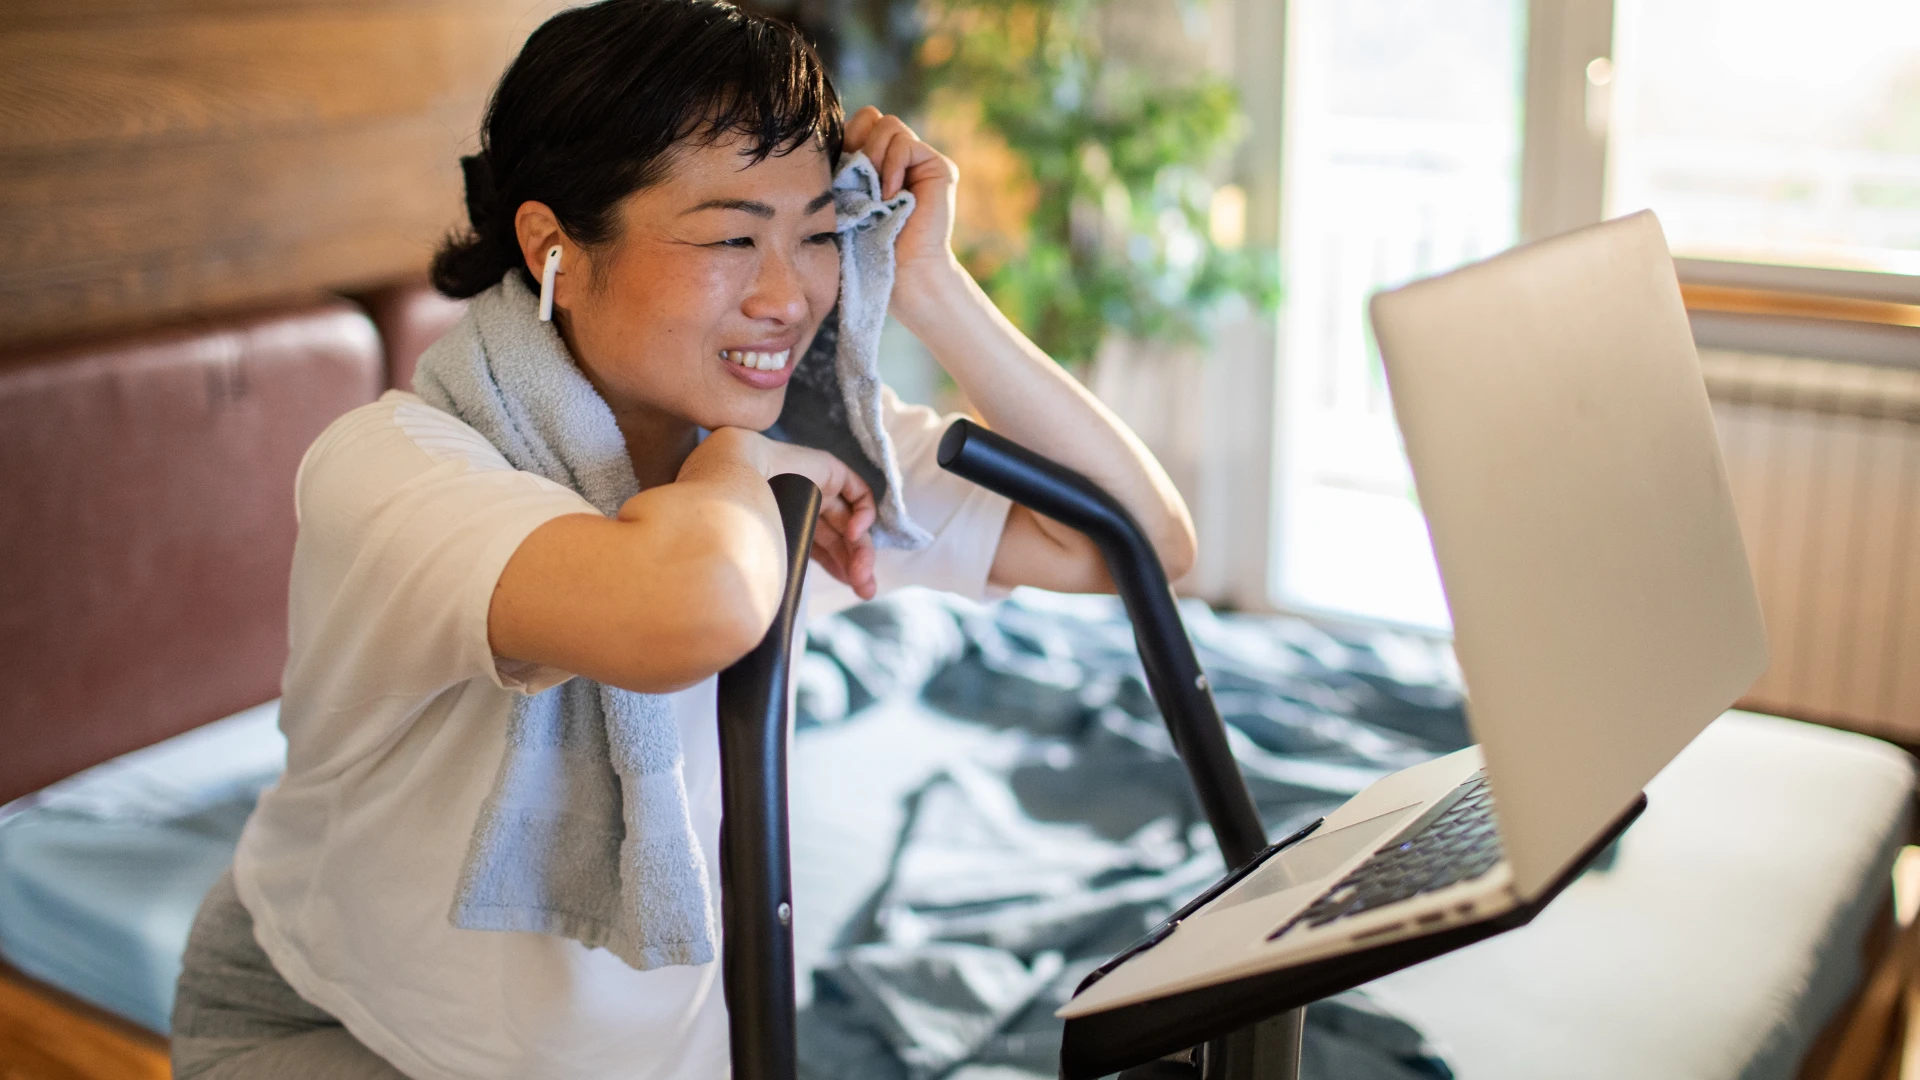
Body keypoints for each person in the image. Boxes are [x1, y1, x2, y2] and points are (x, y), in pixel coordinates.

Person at [168, 1, 1195, 1077]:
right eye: (731, 237)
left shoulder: (791, 436)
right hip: (350, 1031)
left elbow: (1135, 545)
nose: (786, 295)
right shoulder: (395, 468)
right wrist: (744, 463)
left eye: (816, 235)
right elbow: (692, 604)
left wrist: (932, 285)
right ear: (551, 242)